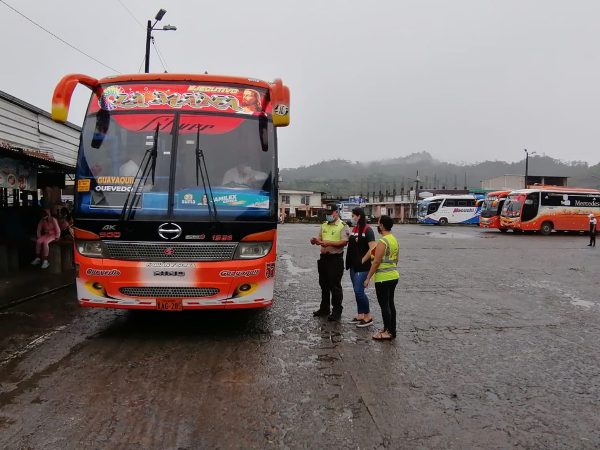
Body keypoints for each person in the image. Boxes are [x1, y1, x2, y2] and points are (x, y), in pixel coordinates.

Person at [310, 204, 350, 321]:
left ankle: (337, 311)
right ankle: (324, 308)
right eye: (327, 213)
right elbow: (320, 240)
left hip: (335, 259)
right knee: (324, 285)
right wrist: (315, 241)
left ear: (336, 212)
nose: (328, 215)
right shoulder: (324, 225)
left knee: (335, 286)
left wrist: (328, 243)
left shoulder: (343, 226)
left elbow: (344, 242)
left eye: (330, 213)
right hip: (324, 259)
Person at [364, 215, 399, 340]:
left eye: (379, 223)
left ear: (382, 226)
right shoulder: (393, 239)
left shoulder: (383, 242)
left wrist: (368, 277)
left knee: (385, 305)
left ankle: (387, 332)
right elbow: (396, 259)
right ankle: (390, 329)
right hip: (393, 276)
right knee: (390, 304)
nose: (378, 226)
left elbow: (376, 261)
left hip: (383, 278)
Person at [345, 207, 377, 327]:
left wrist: (362, 260)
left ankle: (368, 316)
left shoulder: (368, 230)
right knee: (356, 290)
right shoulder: (355, 228)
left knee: (359, 291)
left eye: (353, 215)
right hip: (353, 266)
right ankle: (360, 315)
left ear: (359, 216)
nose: (352, 218)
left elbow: (373, 249)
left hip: (363, 267)